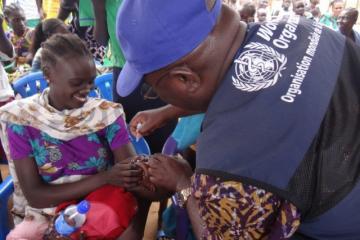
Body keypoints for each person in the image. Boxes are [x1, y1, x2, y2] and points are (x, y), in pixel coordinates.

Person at [118, 0, 360, 238]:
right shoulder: (304, 29)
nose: (154, 96)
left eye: (151, 89)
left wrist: (183, 184)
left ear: (185, 79)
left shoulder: (227, 166)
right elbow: (263, 88)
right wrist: (169, 111)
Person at [0, 33, 161, 240]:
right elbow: (35, 195)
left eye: (91, 82)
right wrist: (105, 177)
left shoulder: (106, 114)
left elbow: (130, 174)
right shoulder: (23, 120)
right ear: (48, 74)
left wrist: (154, 178)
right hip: (47, 215)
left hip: (103, 205)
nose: (87, 90)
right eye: (77, 83)